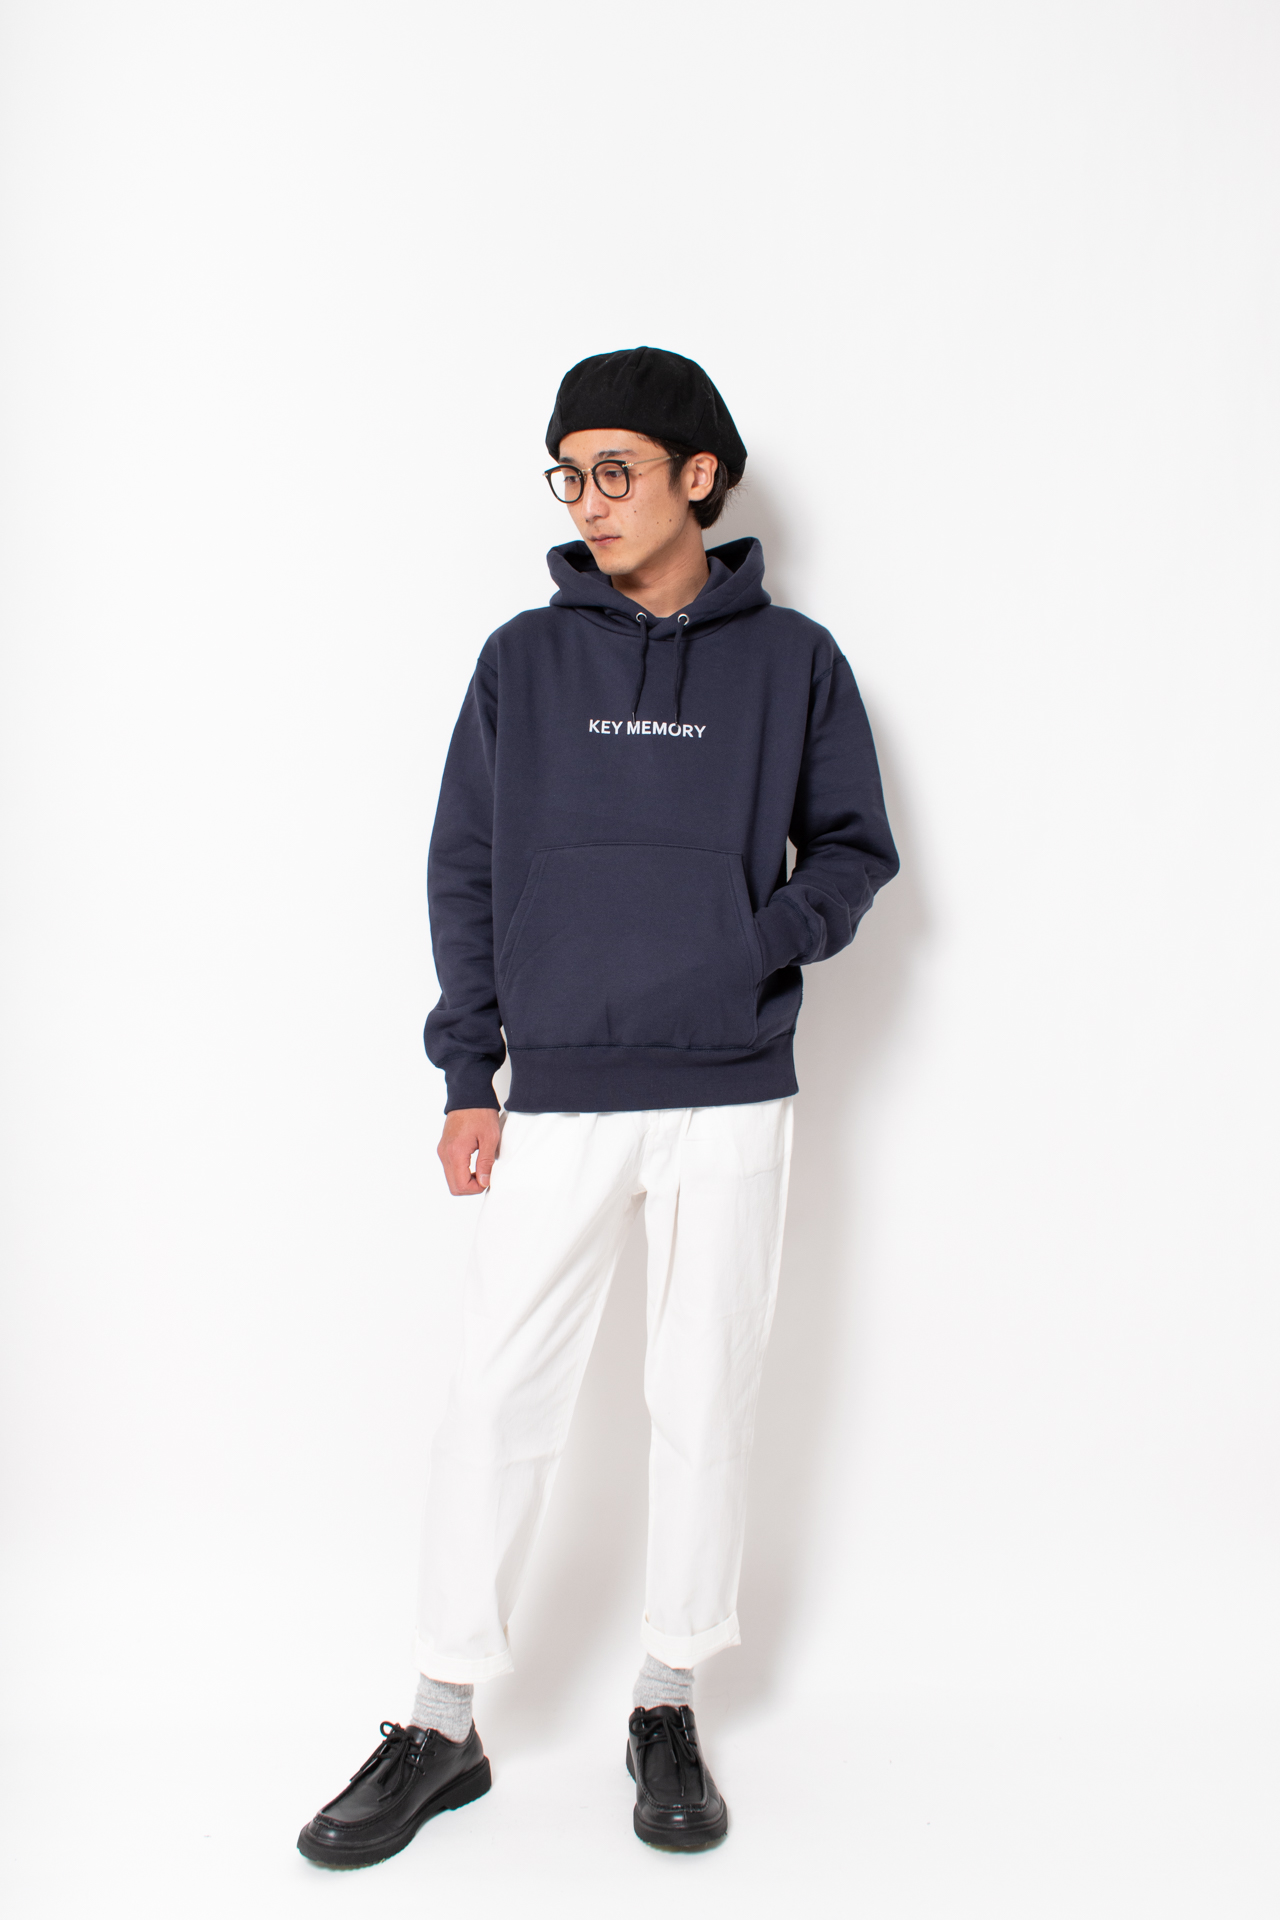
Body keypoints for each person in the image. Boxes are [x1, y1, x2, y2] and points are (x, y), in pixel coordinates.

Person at [297, 345, 899, 1865]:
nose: (587, 499)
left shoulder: (795, 661)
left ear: (701, 477)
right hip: (557, 1088)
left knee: (706, 1394)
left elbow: (852, 850)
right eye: (569, 474)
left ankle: (666, 1697)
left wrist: (746, 945)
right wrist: (468, 1069)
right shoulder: (524, 659)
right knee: (498, 1397)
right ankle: (441, 1720)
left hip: (729, 1093)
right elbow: (464, 868)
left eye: (615, 470)